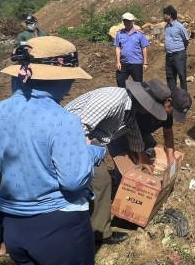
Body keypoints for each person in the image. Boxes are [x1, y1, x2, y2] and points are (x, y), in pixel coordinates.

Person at [0, 36, 104, 265]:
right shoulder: (63, 120)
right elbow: (73, 180)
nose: (70, 86)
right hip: (58, 227)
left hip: (13, 225)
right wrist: (91, 153)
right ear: (57, 79)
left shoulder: (0, 111)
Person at [64, 80, 170, 244]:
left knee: (98, 182)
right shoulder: (112, 100)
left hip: (89, 143)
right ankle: (99, 233)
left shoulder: (129, 106)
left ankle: (91, 223)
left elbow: (132, 128)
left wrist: (141, 154)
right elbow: (77, 125)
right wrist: (83, 155)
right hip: (70, 141)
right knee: (101, 181)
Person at [108, 79, 192, 163]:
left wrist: (171, 155)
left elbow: (168, 131)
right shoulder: (146, 105)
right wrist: (138, 153)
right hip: (119, 133)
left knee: (150, 156)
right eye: (174, 112)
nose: (173, 116)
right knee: (127, 164)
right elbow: (130, 128)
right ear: (168, 101)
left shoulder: (168, 111)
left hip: (142, 135)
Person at [114, 12, 149, 87]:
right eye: (125, 21)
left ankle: (137, 95)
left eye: (129, 21)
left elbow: (144, 48)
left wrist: (145, 63)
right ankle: (123, 94)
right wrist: (118, 62)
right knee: (120, 82)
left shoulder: (139, 34)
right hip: (123, 63)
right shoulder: (119, 34)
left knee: (138, 85)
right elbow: (118, 47)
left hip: (136, 64)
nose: (127, 23)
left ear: (132, 21)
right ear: (123, 22)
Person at [163, 5, 190, 92]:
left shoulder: (179, 26)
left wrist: (181, 51)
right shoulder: (166, 27)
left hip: (179, 54)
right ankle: (173, 95)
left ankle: (184, 95)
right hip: (169, 55)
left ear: (169, 15)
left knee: (182, 75)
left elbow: (186, 40)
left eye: (165, 14)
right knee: (170, 76)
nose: (163, 16)